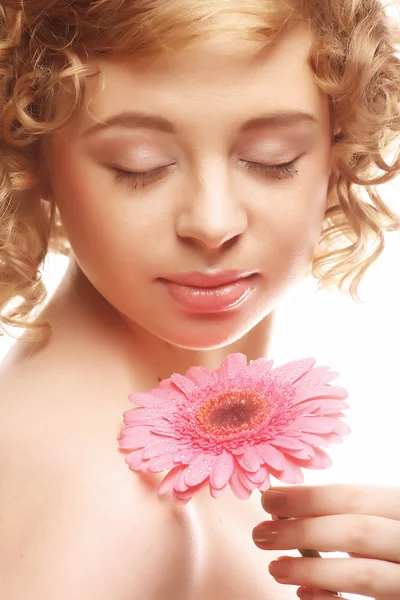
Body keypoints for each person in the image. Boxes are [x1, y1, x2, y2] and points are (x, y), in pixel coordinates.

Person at [0, 1, 399, 599]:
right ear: (35, 156)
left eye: (273, 159)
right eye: (140, 166)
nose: (212, 223)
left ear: (342, 147)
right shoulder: (97, 498)